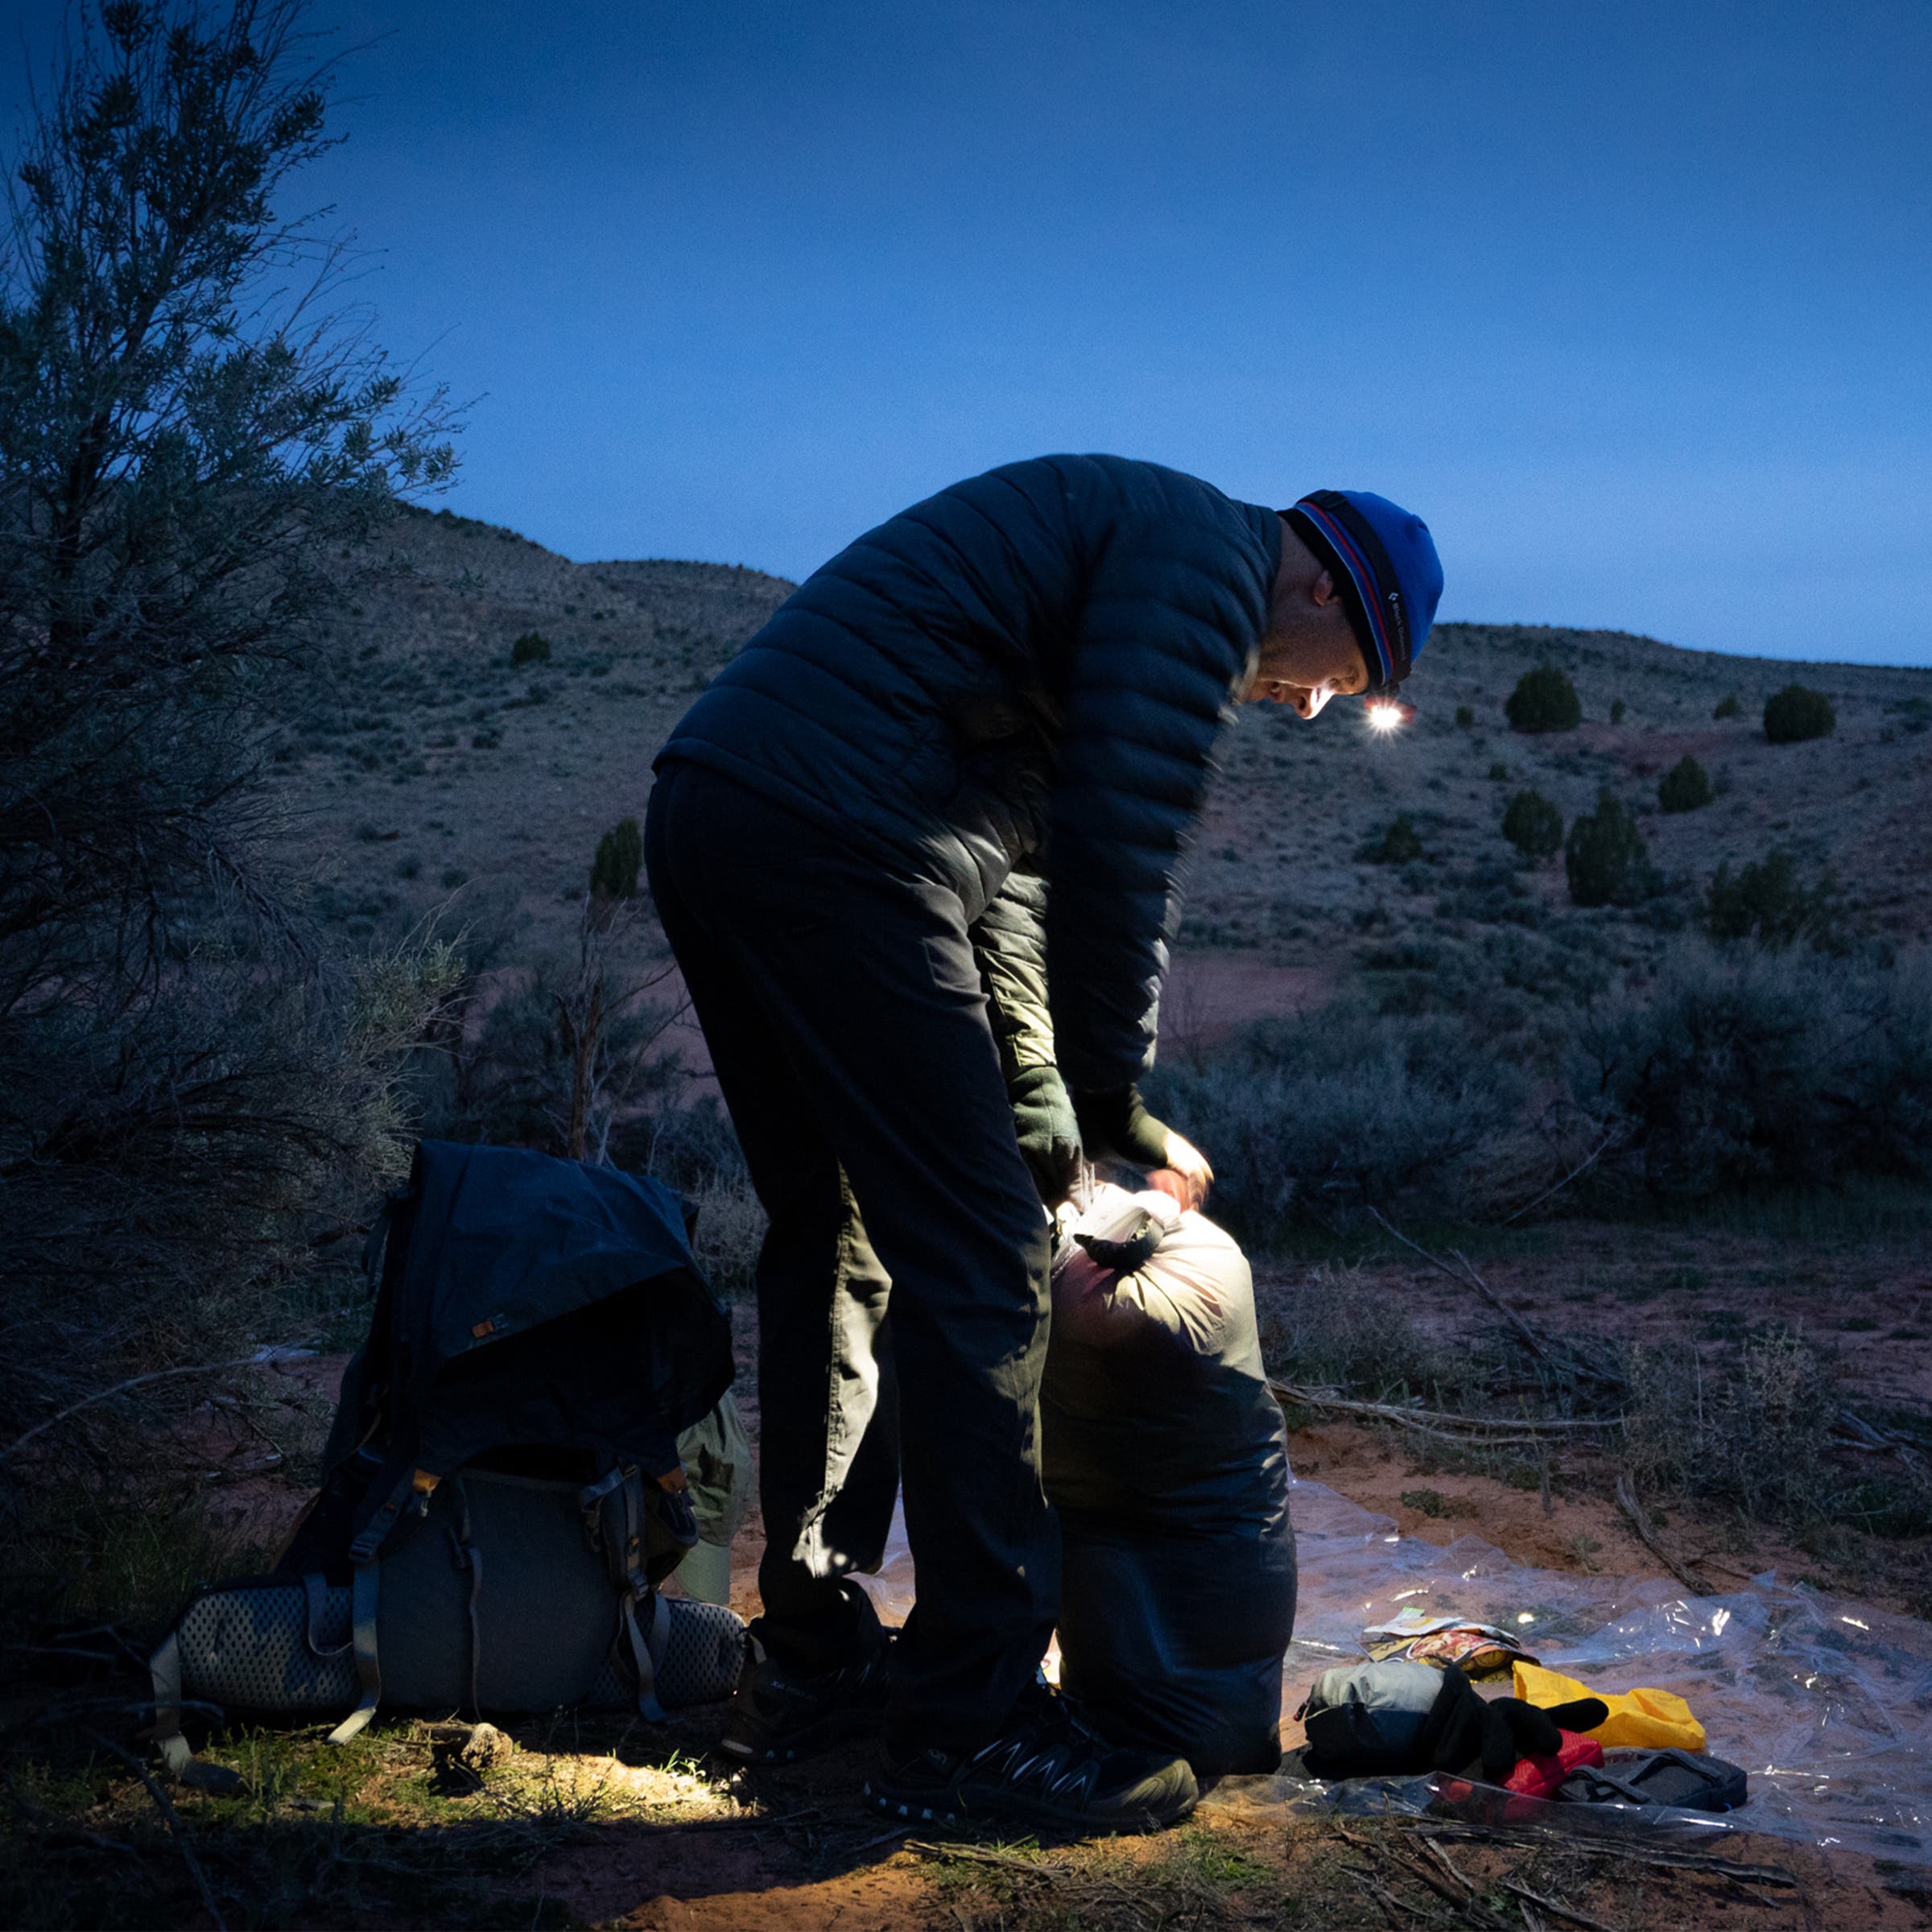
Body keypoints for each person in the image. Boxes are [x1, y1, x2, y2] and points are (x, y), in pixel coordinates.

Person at [643, 455, 1440, 1831]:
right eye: (1342, 674)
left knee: (838, 1234)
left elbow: (1014, 884)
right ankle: (970, 1724)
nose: (1310, 704)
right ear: (1325, 585)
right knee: (985, 1267)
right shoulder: (1203, 572)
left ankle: (816, 1655)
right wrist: (1120, 1096)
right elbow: (1122, 847)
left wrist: (1048, 1109)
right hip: (841, 835)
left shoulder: (1129, 564)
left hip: (723, 809)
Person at [1043, 1178, 1294, 1780]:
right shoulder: (1211, 1262)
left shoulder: (1076, 1285)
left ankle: (1113, 1723)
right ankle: (1213, 1732)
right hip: (1235, 1731)